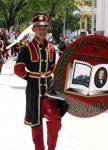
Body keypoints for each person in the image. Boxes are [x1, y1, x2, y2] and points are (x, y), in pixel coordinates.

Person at [14, 12, 68, 150]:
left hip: (49, 90)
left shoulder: (51, 48)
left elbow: (53, 67)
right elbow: (18, 69)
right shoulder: (26, 48)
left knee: (55, 120)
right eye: (39, 27)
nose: (42, 30)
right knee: (36, 124)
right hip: (33, 91)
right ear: (33, 29)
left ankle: (51, 147)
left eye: (44, 27)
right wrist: (31, 78)